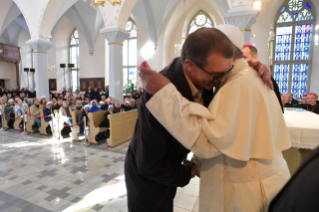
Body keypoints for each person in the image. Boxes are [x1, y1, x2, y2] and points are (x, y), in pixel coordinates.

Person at [125, 26, 274, 212]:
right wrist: (186, 172)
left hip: (170, 162)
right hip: (148, 178)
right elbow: (148, 164)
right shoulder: (159, 92)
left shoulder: (207, 72)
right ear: (189, 65)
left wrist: (248, 68)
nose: (221, 80)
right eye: (217, 75)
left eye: (226, 72)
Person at [242, 43, 283, 112]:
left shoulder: (266, 78)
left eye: (244, 58)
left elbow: (276, 110)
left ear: (255, 57)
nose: (240, 62)